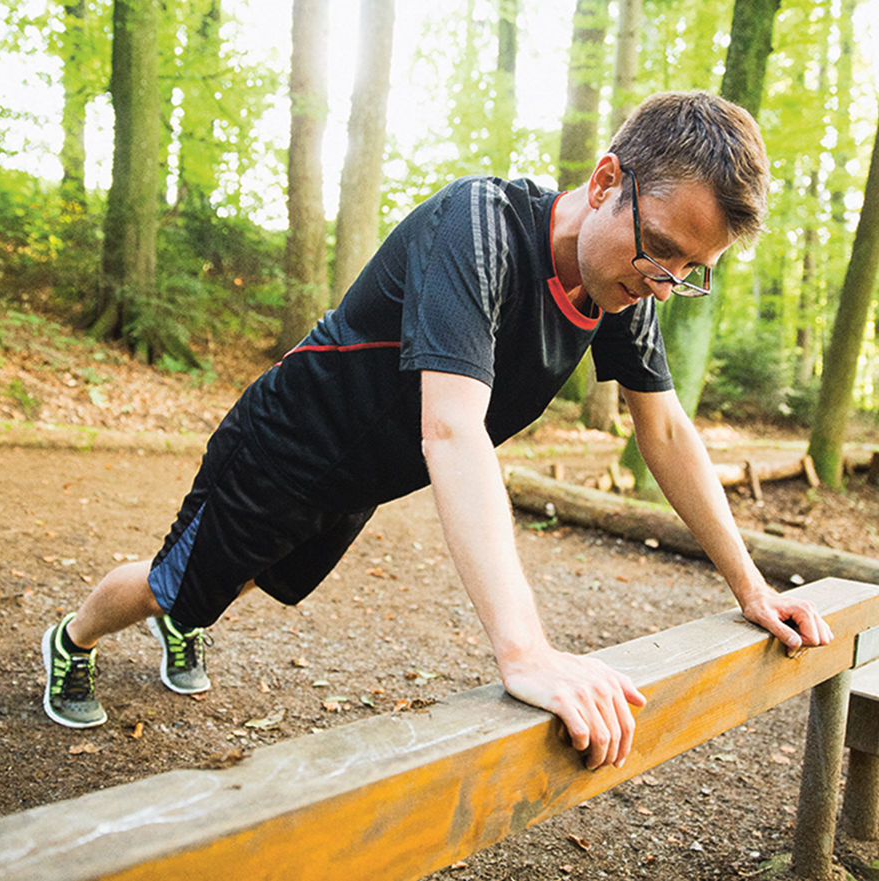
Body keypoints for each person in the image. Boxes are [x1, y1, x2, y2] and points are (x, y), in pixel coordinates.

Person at [41, 91, 833, 770]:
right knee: (172, 584)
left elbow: (662, 429)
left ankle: (191, 620)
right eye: (660, 252)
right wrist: (525, 652)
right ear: (604, 181)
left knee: (239, 580)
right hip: (285, 444)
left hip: (361, 476)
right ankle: (74, 639)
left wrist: (752, 585)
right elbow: (452, 429)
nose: (663, 283)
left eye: (687, 273)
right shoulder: (479, 228)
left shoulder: (625, 284)